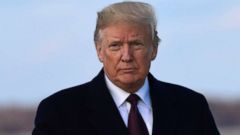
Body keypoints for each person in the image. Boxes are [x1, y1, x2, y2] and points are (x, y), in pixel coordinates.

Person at [32, 1, 220, 135]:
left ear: (153, 49)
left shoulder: (192, 107)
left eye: (136, 44)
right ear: (99, 51)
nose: (127, 56)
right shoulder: (59, 112)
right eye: (115, 46)